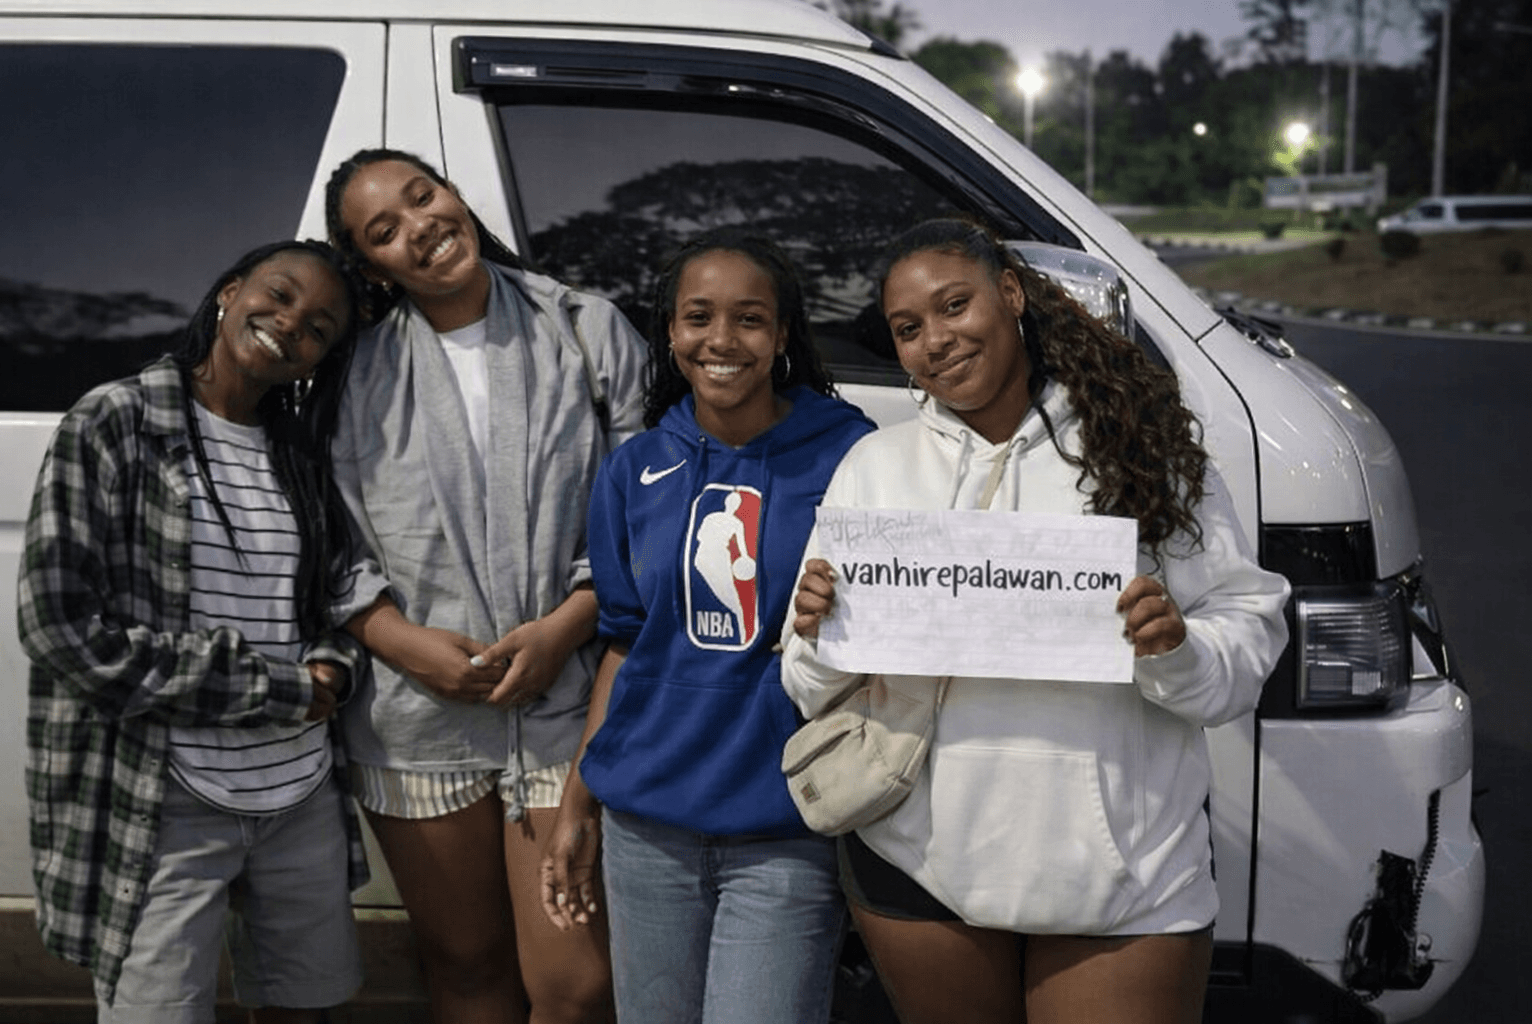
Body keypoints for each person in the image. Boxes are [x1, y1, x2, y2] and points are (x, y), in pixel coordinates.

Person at [782, 218, 1291, 1024]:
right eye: (909, 329)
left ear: (1011, 295)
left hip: (1127, 873)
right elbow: (809, 684)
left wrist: (1175, 648)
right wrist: (816, 631)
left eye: (956, 306)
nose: (936, 341)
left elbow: (1247, 631)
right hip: (916, 864)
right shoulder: (875, 468)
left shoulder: (1141, 449)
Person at [323, 148, 647, 1024]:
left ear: (456, 192)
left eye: (423, 197)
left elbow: (640, 516)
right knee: (464, 969)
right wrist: (399, 641)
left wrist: (568, 626)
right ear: (369, 265)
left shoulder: (584, 328)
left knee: (577, 987)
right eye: (384, 230)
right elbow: (331, 533)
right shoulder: (353, 369)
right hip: (417, 715)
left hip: (565, 700)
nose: (420, 227)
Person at [19, 240, 379, 1023]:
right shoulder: (117, 421)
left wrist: (332, 668)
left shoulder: (303, 456)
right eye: (279, 296)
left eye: (318, 327)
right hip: (165, 790)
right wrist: (280, 689)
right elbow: (59, 627)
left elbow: (336, 606)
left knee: (306, 1007)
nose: (291, 325)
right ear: (227, 292)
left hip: (299, 791)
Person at [540, 229, 875, 1024]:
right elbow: (626, 646)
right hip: (645, 823)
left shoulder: (850, 454)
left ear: (783, 333)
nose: (721, 340)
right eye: (699, 317)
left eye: (750, 319)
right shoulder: (635, 468)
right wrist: (578, 803)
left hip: (785, 822)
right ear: (670, 331)